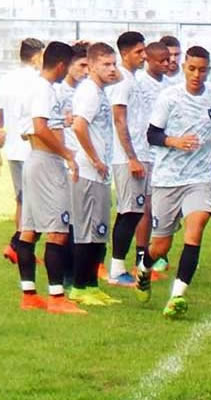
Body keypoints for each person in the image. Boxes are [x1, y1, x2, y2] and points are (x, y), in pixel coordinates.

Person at [137, 46, 211, 318]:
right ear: (184, 68)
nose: (197, 74)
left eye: (202, 70)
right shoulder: (169, 98)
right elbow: (152, 134)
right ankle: (144, 268)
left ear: (208, 70)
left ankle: (177, 296)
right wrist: (174, 141)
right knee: (161, 246)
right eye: (192, 69)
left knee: (197, 226)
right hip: (168, 179)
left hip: (200, 177)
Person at [16, 41, 86, 314]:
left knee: (29, 231)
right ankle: (57, 298)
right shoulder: (44, 89)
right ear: (60, 66)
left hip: (36, 161)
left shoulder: (36, 88)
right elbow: (40, 128)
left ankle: (29, 294)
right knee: (58, 232)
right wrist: (67, 153)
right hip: (47, 163)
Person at [68, 42, 121, 306]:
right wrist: (95, 159)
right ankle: (79, 286)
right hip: (89, 172)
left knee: (99, 230)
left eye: (114, 63)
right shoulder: (89, 91)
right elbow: (79, 127)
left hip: (99, 173)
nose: (113, 69)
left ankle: (91, 283)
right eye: (106, 64)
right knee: (87, 231)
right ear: (91, 66)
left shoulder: (99, 91)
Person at [105, 31, 149, 287]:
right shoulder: (122, 81)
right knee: (129, 212)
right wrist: (131, 157)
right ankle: (117, 270)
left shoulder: (132, 79)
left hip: (137, 154)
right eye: (138, 52)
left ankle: (118, 268)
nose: (143, 56)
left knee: (133, 211)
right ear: (124, 54)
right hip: (126, 157)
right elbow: (119, 118)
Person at [0, 38, 45, 264]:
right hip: (32, 147)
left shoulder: (7, 79)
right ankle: (18, 244)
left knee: (22, 199)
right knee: (34, 201)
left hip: (13, 148)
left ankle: (20, 248)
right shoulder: (37, 80)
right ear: (37, 56)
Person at [55, 42, 90, 288]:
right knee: (66, 222)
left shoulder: (87, 92)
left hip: (85, 164)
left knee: (83, 221)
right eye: (82, 65)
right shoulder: (58, 93)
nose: (87, 71)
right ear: (68, 65)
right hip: (64, 164)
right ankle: (67, 276)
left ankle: (82, 274)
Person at [135, 41, 171, 278]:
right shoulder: (138, 83)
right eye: (163, 60)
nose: (168, 64)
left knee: (162, 207)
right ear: (149, 59)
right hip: (143, 152)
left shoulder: (170, 86)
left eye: (169, 59)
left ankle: (157, 253)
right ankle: (141, 256)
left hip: (164, 155)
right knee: (145, 207)